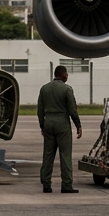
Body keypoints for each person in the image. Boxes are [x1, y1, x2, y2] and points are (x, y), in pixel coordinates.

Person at [37, 65, 83, 194]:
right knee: (65, 155)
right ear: (64, 75)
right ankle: (66, 185)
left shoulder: (44, 89)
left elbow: (40, 110)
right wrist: (78, 125)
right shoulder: (67, 89)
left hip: (49, 122)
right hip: (62, 123)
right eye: (66, 74)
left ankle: (46, 184)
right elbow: (72, 110)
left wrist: (42, 125)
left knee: (48, 155)